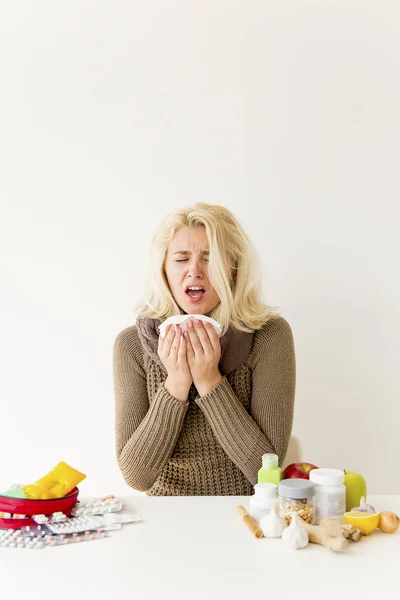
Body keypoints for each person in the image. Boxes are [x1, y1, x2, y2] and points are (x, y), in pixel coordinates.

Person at [113, 203, 296, 496]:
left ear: (234, 268)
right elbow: (137, 476)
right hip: (167, 519)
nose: (194, 271)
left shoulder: (270, 336)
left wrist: (209, 380)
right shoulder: (131, 346)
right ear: (163, 269)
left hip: (248, 515)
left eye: (210, 259)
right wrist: (176, 383)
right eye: (181, 259)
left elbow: (265, 475)